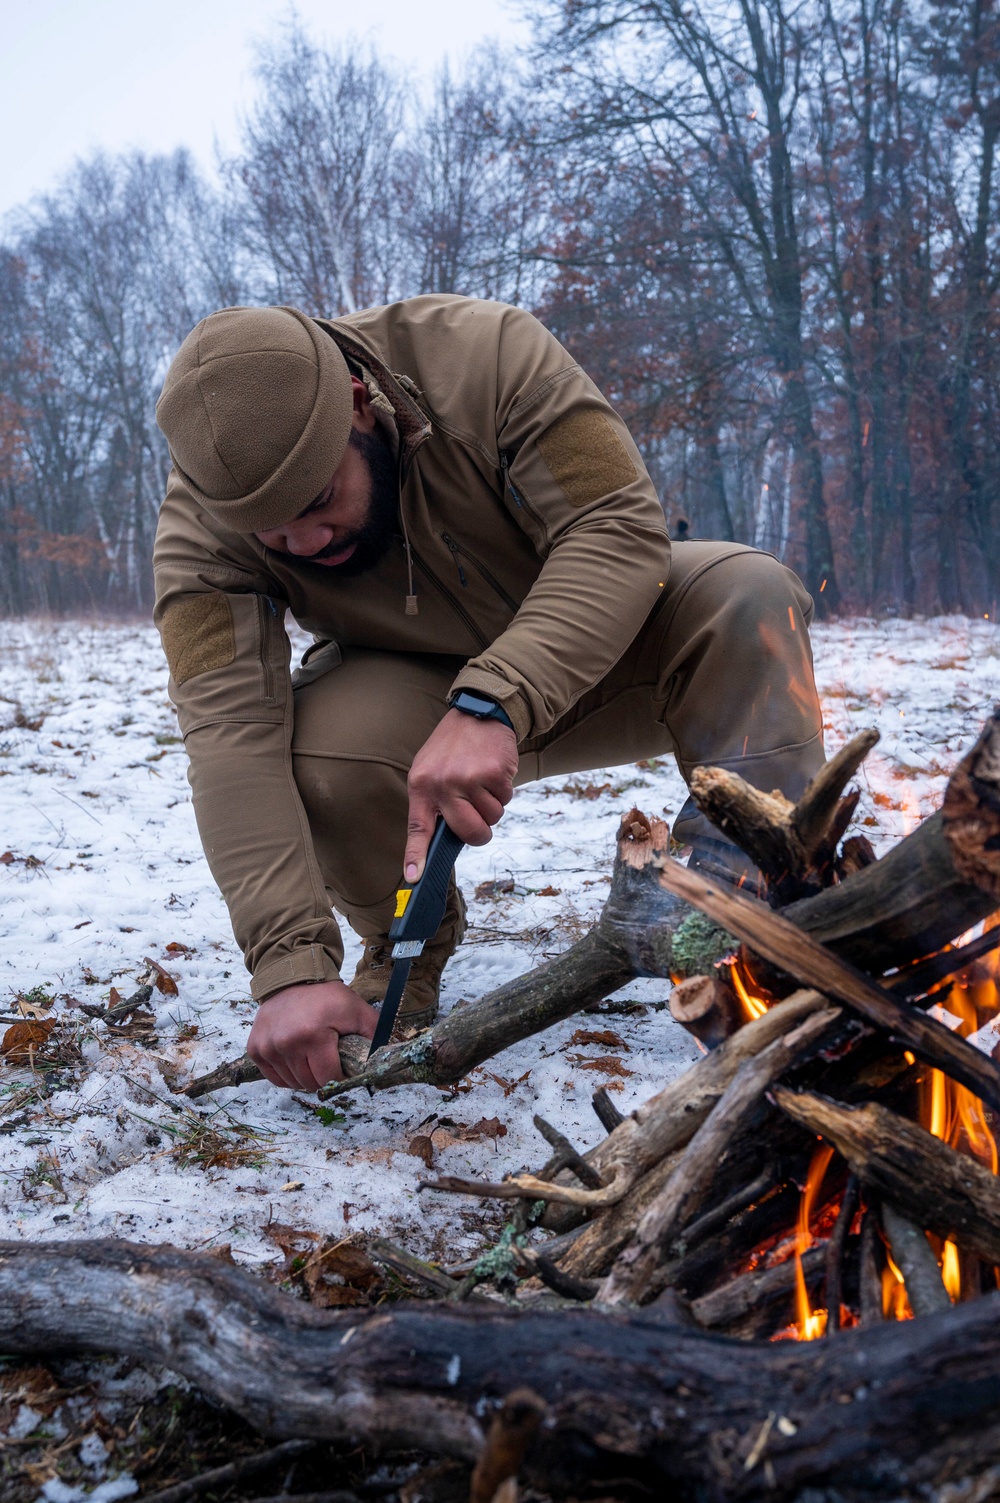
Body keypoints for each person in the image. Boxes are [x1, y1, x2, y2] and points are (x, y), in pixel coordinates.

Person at [153, 296, 824, 1094]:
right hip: (413, 700)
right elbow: (229, 735)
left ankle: (759, 903)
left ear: (360, 405)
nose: (299, 544)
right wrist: (288, 966)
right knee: (319, 750)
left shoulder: (485, 355)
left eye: (315, 502)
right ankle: (407, 949)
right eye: (267, 532)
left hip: (608, 644)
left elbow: (616, 525)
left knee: (748, 594)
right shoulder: (202, 526)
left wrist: (497, 700)